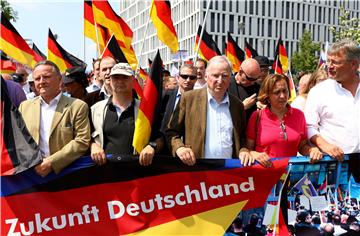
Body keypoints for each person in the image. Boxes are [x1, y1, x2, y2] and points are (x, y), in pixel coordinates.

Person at [165, 56, 247, 165]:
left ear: (230, 78)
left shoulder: (237, 105)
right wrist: (180, 148)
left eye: (225, 76)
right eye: (215, 75)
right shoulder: (189, 99)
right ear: (206, 76)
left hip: (228, 173)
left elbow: (242, 138)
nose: (220, 80)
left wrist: (244, 151)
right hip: (198, 170)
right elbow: (171, 132)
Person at [18, 60, 91, 177]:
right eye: (37, 79)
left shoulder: (77, 106)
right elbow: (19, 139)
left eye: (46, 77)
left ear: (60, 80)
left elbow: (82, 141)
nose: (41, 82)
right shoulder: (24, 107)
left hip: (67, 173)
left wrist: (52, 162)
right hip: (33, 174)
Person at [305, 39, 360, 182]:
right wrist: (326, 146)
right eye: (329, 61)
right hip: (334, 164)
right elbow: (309, 126)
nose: (329, 66)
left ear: (353, 64)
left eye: (335, 62)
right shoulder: (319, 92)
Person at [239, 74, 322, 167]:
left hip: (290, 176)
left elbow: (302, 146)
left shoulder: (299, 115)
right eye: (277, 92)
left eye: (285, 91)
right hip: (263, 175)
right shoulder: (257, 116)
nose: (282, 96)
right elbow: (247, 149)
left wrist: (312, 150)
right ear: (267, 96)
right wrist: (254, 154)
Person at [90, 63, 163, 166]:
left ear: (133, 81)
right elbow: (85, 138)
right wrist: (93, 146)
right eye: (116, 77)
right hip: (104, 174)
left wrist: (151, 146)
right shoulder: (95, 110)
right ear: (110, 81)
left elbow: (160, 138)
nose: (120, 81)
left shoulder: (146, 110)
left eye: (125, 77)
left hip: (136, 175)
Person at [160, 64, 197, 155]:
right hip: (165, 149)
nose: (188, 80)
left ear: (196, 79)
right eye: (184, 76)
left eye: (192, 77)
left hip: (190, 152)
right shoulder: (165, 96)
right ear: (178, 77)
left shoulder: (200, 99)